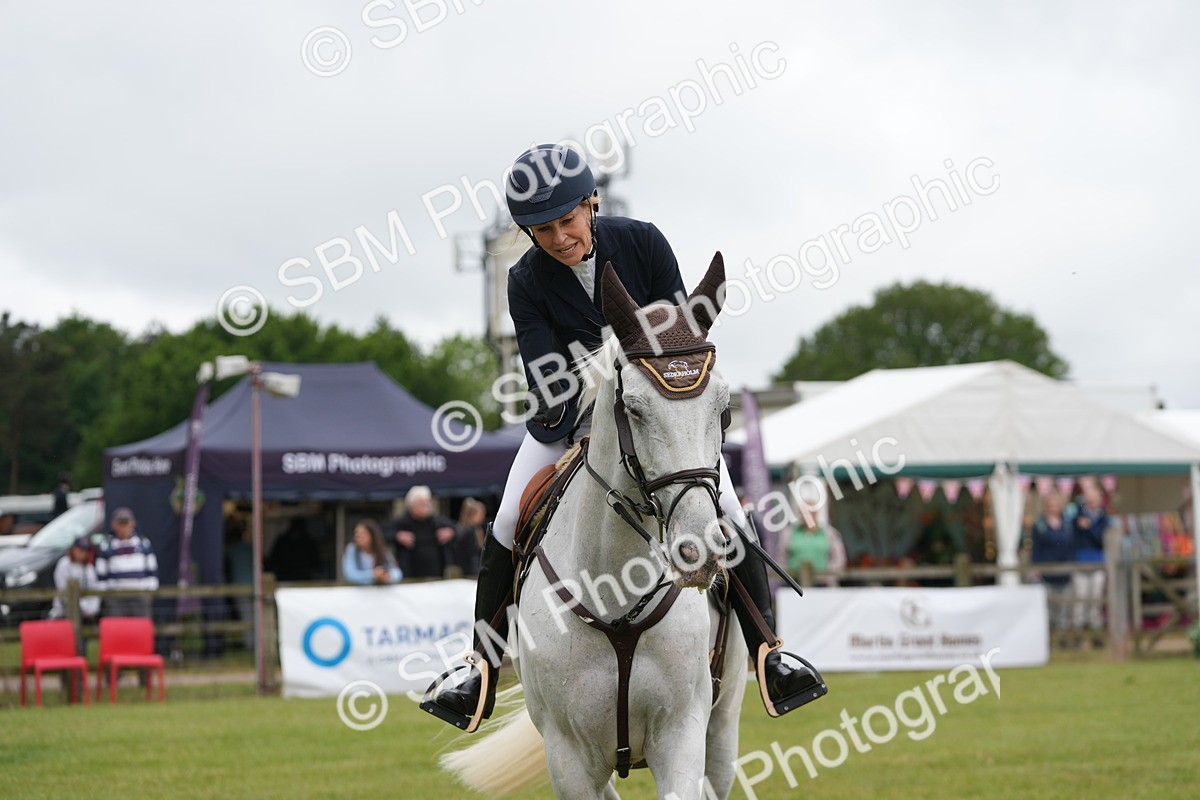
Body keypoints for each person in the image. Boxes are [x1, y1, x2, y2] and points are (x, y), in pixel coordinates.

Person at [425, 143, 823, 728]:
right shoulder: (525, 281)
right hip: (569, 421)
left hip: (658, 413)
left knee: (731, 512)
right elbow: (546, 377)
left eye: (567, 221)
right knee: (509, 517)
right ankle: (480, 667)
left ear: (591, 204)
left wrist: (644, 394)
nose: (560, 238)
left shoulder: (643, 242)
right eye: (542, 229)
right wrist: (606, 388)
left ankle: (768, 651)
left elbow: (680, 338)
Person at [94, 507, 158, 618]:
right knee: (118, 629)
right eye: (120, 523)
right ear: (113, 525)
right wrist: (106, 595)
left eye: (126, 523)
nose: (124, 527)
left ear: (133, 523)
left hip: (139, 594)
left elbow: (152, 570)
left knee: (141, 628)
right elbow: (101, 575)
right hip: (116, 597)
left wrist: (150, 592)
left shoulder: (143, 543)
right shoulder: (106, 546)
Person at [1028, 491, 1074, 637]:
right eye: (1050, 504)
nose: (1053, 506)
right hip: (1046, 572)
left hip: (1065, 572)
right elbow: (1035, 548)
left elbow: (1073, 545)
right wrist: (1035, 568)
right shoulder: (1040, 525)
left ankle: (1063, 636)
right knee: (1048, 607)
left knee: (1064, 607)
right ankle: (1049, 637)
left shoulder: (1067, 524)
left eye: (1055, 503)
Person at [390, 486, 456, 579]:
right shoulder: (402, 522)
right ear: (411, 506)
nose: (427, 506)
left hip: (437, 572)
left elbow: (457, 528)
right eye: (421, 504)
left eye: (428, 502)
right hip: (411, 573)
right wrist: (397, 536)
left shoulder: (437, 521)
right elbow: (384, 532)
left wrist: (451, 532)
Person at [1071, 484, 1109, 639]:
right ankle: (1078, 632)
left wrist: (1090, 526)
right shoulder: (1077, 517)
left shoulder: (1103, 518)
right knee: (1080, 598)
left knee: (1096, 599)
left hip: (1098, 563)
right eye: (1089, 499)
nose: (1091, 501)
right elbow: (1072, 539)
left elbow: (1101, 539)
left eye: (1094, 498)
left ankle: (1096, 632)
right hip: (1081, 563)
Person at [785, 512, 847, 588]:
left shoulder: (828, 533)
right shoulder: (790, 533)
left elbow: (839, 557)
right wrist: (785, 577)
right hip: (794, 582)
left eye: (811, 512)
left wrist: (829, 576)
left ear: (816, 514)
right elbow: (781, 557)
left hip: (823, 583)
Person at [50, 536, 101, 625]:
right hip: (64, 611)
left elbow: (95, 589)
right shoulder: (63, 564)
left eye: (86, 551)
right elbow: (63, 589)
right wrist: (84, 607)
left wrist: (92, 609)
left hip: (86, 614)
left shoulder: (90, 568)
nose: (83, 553)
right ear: (73, 549)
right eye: (80, 550)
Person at [343, 519, 402, 585]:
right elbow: (350, 575)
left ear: (372, 535)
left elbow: (397, 573)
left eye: (363, 533)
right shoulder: (352, 550)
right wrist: (372, 575)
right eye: (356, 533)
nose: (358, 536)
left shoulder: (383, 550)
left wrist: (387, 576)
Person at [451, 498, 487, 578]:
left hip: (474, 567)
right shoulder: (467, 531)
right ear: (473, 514)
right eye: (481, 514)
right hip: (469, 570)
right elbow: (469, 553)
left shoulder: (477, 529)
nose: (483, 517)